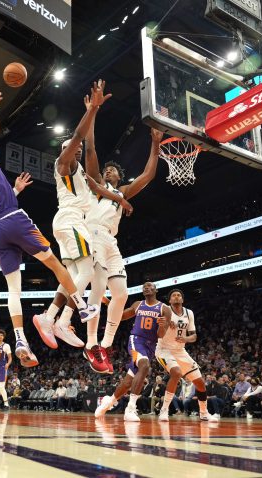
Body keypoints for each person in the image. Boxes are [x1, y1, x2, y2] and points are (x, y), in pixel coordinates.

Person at [0, 91, 104, 368]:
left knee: (13, 290)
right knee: (57, 265)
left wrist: (14, 190)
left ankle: (20, 338)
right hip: (15, 219)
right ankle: (81, 307)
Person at [32, 81, 134, 372]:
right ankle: (52, 318)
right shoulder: (63, 165)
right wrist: (92, 111)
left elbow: (98, 182)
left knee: (77, 274)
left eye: (76, 152)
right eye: (71, 150)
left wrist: (120, 200)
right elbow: (80, 139)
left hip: (75, 227)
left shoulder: (85, 181)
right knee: (87, 270)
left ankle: (61, 320)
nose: (76, 153)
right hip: (71, 221)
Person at [81, 125, 164, 374]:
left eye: (113, 169)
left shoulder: (123, 191)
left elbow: (148, 175)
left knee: (121, 293)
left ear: (119, 176)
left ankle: (105, 344)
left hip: (110, 240)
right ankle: (91, 342)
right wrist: (91, 119)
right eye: (106, 169)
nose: (108, 170)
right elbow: (91, 151)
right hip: (93, 233)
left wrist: (156, 143)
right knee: (96, 291)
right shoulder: (96, 185)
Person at [94, 282, 170, 421]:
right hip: (136, 341)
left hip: (151, 346)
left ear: (156, 290)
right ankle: (130, 408)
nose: (146, 288)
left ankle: (108, 403)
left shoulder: (165, 309)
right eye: (144, 287)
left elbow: (160, 335)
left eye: (149, 286)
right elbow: (121, 316)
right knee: (145, 366)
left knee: (128, 382)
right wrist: (108, 303)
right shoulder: (138, 304)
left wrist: (162, 326)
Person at [156, 289, 219, 422]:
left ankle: (203, 412)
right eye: (173, 295)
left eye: (179, 295)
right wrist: (165, 324)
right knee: (177, 373)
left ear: (182, 300)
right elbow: (158, 332)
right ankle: (164, 410)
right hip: (164, 349)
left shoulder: (189, 313)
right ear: (170, 300)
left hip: (180, 351)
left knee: (200, 383)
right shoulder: (164, 310)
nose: (176, 297)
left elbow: (194, 336)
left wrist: (186, 339)